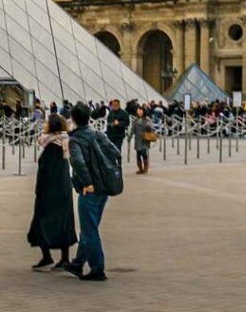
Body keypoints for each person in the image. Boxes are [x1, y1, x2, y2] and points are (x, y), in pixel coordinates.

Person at [61, 102, 120, 282]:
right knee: (90, 226)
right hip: (104, 187)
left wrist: (87, 182)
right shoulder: (98, 134)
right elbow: (116, 152)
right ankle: (78, 262)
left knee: (89, 229)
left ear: (74, 119)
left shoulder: (75, 140)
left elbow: (78, 163)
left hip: (90, 189)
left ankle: (97, 268)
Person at [27, 113, 77, 269]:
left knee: (41, 221)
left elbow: (45, 172)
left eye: (47, 123)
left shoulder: (51, 147)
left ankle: (47, 256)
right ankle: (65, 258)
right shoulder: (64, 142)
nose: (45, 125)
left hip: (50, 190)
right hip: (64, 189)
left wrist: (39, 189)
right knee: (64, 222)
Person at [129, 106, 153, 174]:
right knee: (138, 154)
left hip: (145, 139)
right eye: (138, 110)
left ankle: (145, 167)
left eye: (140, 110)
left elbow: (150, 129)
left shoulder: (147, 119)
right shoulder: (135, 120)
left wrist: (149, 127)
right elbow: (132, 130)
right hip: (138, 139)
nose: (139, 112)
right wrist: (129, 138)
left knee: (143, 152)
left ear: (143, 111)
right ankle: (140, 169)